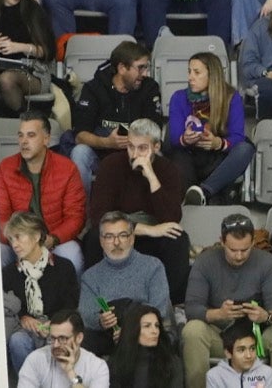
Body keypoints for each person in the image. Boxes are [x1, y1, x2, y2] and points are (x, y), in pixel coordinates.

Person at [181, 212, 272, 388]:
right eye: (233, 250)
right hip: (220, 336)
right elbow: (192, 308)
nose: (239, 256)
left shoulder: (267, 262)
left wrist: (266, 316)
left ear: (253, 243)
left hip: (256, 337)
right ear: (222, 241)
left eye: (245, 249)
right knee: (192, 330)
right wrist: (218, 314)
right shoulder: (205, 262)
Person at [87, 120, 190, 306]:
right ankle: (99, 300)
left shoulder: (168, 170)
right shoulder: (111, 165)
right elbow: (98, 215)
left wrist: (151, 176)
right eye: (130, 147)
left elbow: (172, 217)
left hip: (153, 234)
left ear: (156, 147)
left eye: (142, 148)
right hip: (120, 229)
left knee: (177, 238)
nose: (135, 154)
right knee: (94, 237)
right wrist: (145, 230)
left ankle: (168, 302)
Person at [0, 112, 88, 273]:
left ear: (46, 139)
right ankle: (2, 299)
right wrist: (19, 240)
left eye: (31, 135)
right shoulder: (5, 168)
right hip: (16, 241)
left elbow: (75, 218)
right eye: (21, 136)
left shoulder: (67, 169)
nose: (24, 141)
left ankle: (72, 299)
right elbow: (0, 217)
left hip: (53, 240)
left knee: (72, 254)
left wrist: (52, 239)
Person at [70, 39, 163, 191]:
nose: (145, 74)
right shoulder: (94, 88)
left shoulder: (149, 88)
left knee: (158, 155)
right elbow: (80, 135)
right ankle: (82, 213)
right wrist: (107, 142)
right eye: (140, 68)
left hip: (137, 152)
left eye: (146, 68)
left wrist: (136, 143)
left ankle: (149, 212)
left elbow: (155, 129)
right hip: (100, 153)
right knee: (79, 153)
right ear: (122, 68)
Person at [78, 210, 174, 356]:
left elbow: (159, 308)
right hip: (107, 335)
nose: (116, 242)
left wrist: (131, 332)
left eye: (122, 235)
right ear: (101, 241)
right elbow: (86, 314)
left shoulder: (153, 266)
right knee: (81, 340)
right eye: (109, 237)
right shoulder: (90, 276)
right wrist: (101, 321)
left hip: (144, 331)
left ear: (132, 238)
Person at [168, 51, 255, 206]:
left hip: (216, 158)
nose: (190, 77)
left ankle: (204, 191)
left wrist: (218, 143)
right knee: (177, 154)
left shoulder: (231, 97)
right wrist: (185, 138)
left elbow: (237, 136)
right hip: (189, 155)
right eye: (189, 72)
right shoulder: (178, 97)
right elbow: (173, 136)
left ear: (212, 75)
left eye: (197, 72)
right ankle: (191, 199)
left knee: (245, 148)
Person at [5, 211, 83, 375]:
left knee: (59, 341)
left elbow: (71, 304)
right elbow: (8, 308)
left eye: (19, 237)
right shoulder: (9, 273)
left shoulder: (63, 267)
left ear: (36, 236)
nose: (14, 244)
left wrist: (54, 323)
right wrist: (23, 317)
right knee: (17, 340)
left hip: (56, 326)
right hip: (25, 329)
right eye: (11, 239)